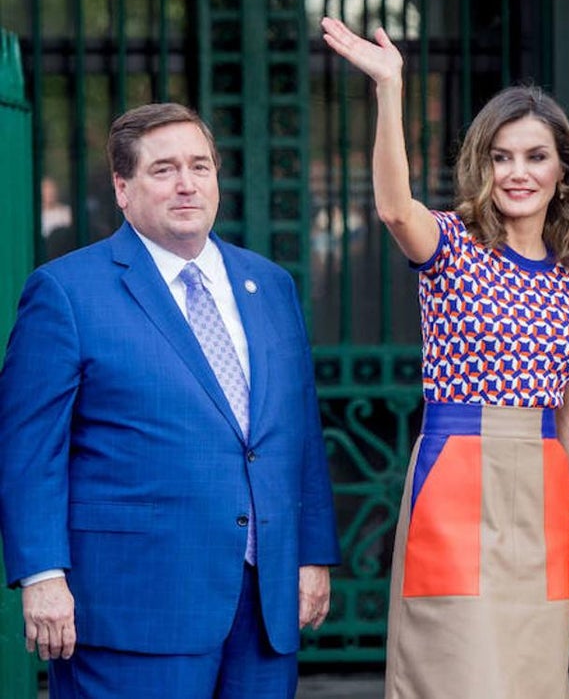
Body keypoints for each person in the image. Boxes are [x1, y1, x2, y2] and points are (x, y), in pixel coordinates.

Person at [320, 16, 569, 698]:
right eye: (501, 157)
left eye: (535, 156)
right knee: (454, 672)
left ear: (562, 171)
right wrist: (390, 89)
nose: (518, 172)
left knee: (532, 677)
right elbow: (395, 210)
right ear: (483, 166)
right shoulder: (452, 242)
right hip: (456, 477)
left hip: (542, 489)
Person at [0, 103, 340, 698]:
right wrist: (42, 575)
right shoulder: (67, 292)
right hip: (133, 605)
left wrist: (312, 554)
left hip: (264, 603)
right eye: (164, 170)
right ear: (122, 188)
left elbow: (298, 433)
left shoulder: (270, 285)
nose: (187, 184)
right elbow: (29, 452)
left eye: (200, 166)